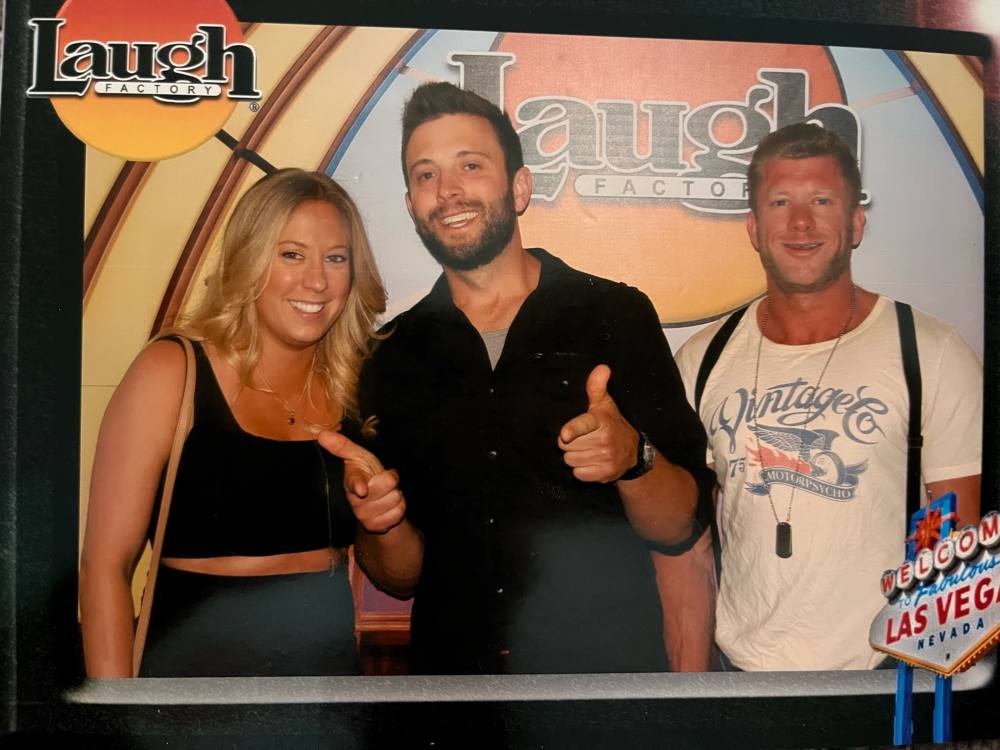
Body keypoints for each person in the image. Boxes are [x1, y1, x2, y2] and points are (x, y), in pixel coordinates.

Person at [322, 82, 714, 675]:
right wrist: (383, 522)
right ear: (410, 205)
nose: (447, 190)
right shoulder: (386, 356)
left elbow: (680, 523)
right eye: (425, 175)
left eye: (471, 166)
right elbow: (398, 579)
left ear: (520, 186)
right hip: (451, 696)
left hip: (599, 689)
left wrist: (633, 457)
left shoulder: (616, 316)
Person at [672, 122, 983, 670]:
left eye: (822, 199)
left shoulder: (931, 352)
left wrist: (920, 692)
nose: (800, 221)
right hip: (739, 672)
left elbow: (955, 544)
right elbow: (687, 542)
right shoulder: (703, 358)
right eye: (780, 202)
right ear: (753, 226)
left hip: (884, 675)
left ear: (856, 221)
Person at [79, 168, 410, 677]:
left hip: (323, 696)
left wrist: (383, 520)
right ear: (249, 259)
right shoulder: (173, 371)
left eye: (336, 258)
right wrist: (113, 717)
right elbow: (105, 568)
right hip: (189, 687)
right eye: (291, 254)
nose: (317, 280)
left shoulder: (360, 386)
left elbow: (402, 578)